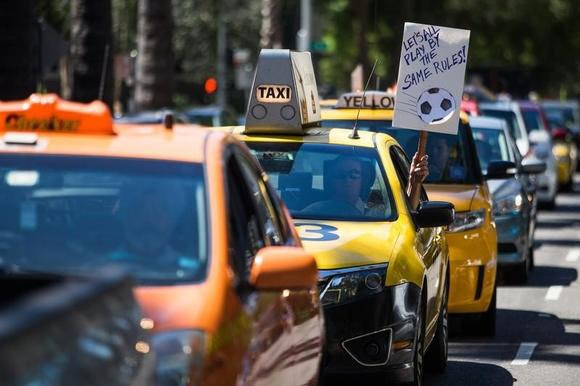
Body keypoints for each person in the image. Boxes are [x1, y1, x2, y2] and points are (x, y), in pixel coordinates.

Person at [302, 152, 429, 216]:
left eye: (354, 174)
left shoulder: (380, 212)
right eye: (340, 174)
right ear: (331, 180)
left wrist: (414, 182)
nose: (347, 180)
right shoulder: (315, 210)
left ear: (364, 180)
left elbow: (409, 215)